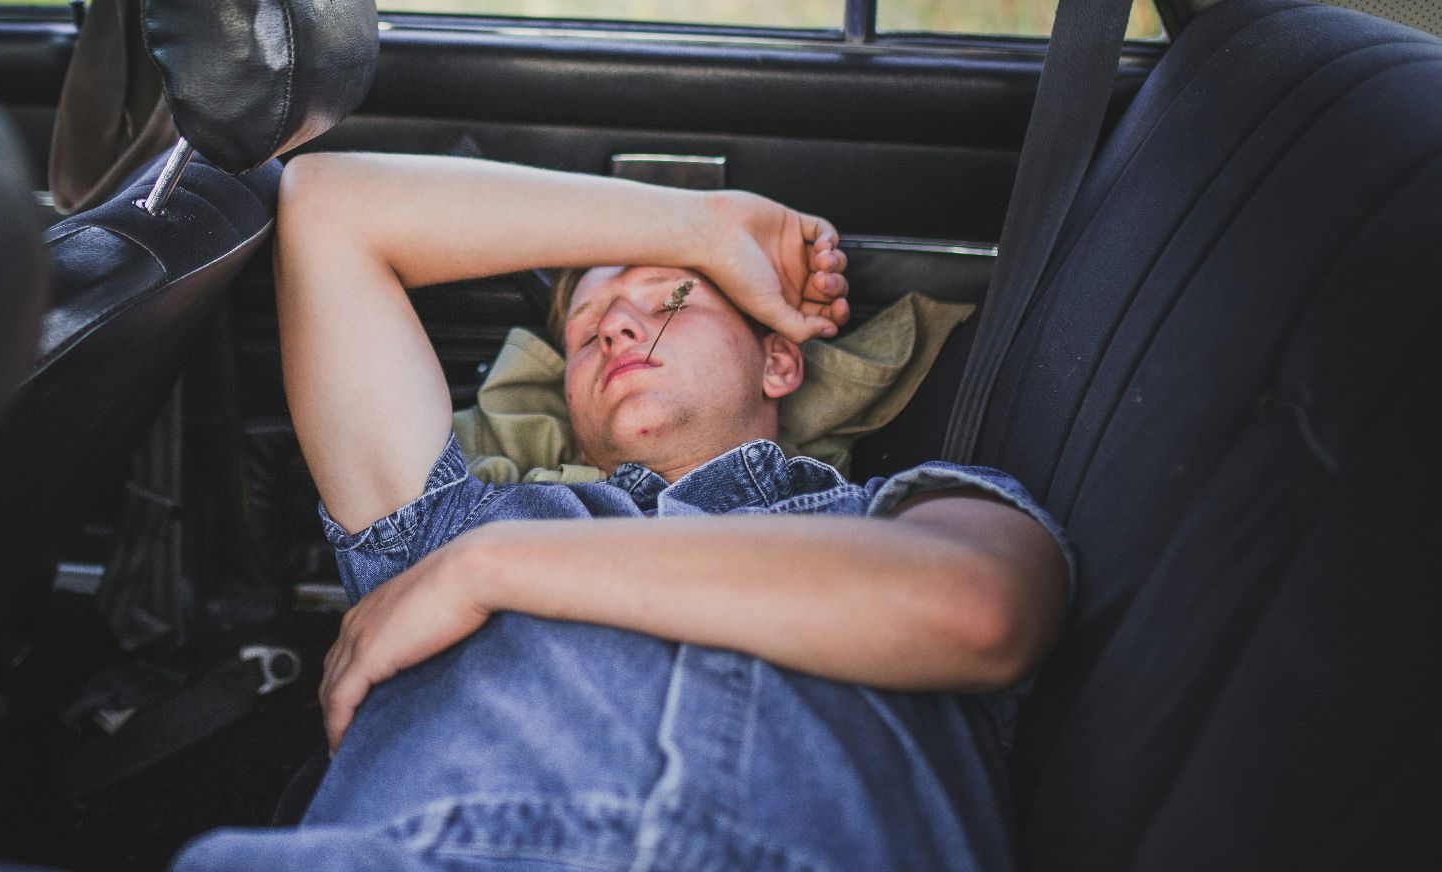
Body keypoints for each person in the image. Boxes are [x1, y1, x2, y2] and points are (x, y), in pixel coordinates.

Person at [171, 152, 1073, 872]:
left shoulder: (898, 517)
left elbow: (981, 608)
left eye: (671, 298)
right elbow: (328, 208)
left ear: (779, 362)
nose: (614, 329)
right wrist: (698, 228)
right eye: (586, 329)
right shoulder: (438, 529)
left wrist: (493, 570)